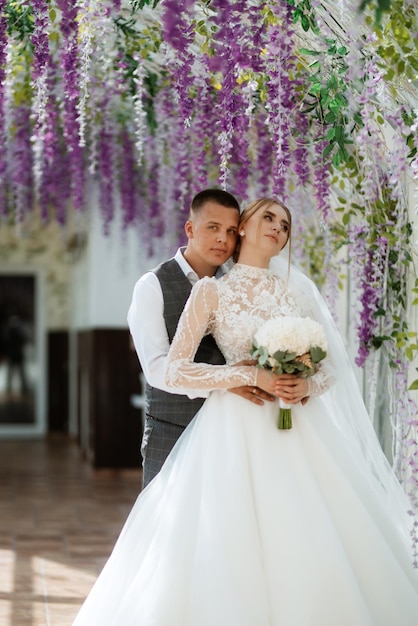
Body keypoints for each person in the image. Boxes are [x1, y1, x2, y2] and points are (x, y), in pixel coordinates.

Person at [73, 198, 418, 625]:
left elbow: (332, 368)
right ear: (242, 228)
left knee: (302, 530)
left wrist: (305, 383)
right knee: (220, 536)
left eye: (285, 225)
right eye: (267, 218)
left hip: (298, 430)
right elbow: (170, 369)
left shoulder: (297, 289)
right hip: (228, 429)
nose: (277, 227)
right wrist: (245, 377)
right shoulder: (208, 289)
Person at [127, 188, 274, 487]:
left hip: (233, 429)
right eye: (213, 228)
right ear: (190, 229)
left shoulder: (237, 282)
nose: (223, 238)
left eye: (231, 230)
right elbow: (157, 370)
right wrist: (229, 380)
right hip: (172, 431)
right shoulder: (153, 286)